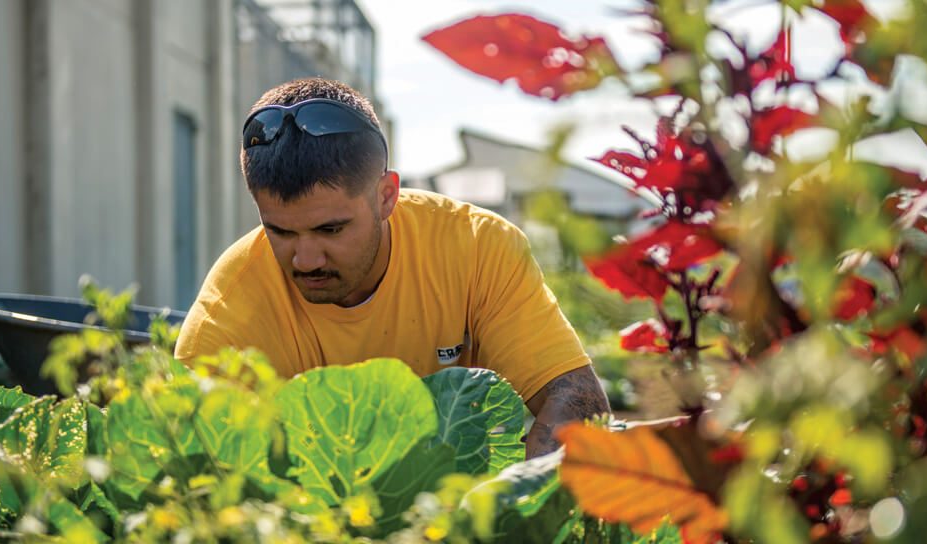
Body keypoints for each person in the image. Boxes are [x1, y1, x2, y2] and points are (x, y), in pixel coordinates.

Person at [175, 77, 610, 458]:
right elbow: (197, 472)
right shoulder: (227, 313)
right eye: (281, 232)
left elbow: (576, 401)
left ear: (386, 196)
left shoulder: (477, 247)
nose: (305, 260)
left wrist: (516, 513)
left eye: (331, 229)